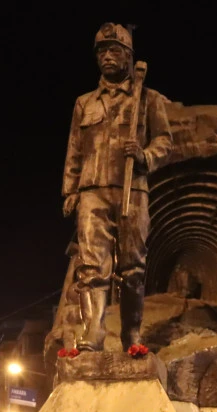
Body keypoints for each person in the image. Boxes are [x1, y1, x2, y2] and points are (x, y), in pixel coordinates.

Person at [62, 22, 172, 351]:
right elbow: (74, 148)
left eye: (115, 51)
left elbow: (166, 143)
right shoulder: (84, 103)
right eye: (102, 51)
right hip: (92, 190)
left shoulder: (148, 99)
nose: (107, 57)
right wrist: (70, 189)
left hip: (132, 190)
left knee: (133, 266)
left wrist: (145, 155)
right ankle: (93, 333)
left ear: (128, 56)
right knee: (91, 266)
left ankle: (131, 335)